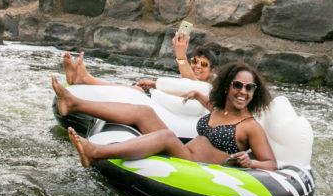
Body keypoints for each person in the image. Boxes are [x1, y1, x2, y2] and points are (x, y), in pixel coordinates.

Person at [54, 62, 277, 171]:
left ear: (255, 92)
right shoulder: (221, 110)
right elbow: (214, 109)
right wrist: (198, 94)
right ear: (227, 87)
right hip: (186, 152)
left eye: (250, 88)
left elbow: (272, 164)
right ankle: (74, 104)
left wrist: (252, 162)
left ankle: (95, 152)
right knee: (145, 112)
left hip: (196, 166)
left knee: (167, 136)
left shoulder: (250, 126)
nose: (243, 92)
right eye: (238, 85)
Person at [62, 33, 218, 90]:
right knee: (136, 88)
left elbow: (194, 86)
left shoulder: (211, 88)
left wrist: (181, 56)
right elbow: (182, 84)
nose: (197, 66)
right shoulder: (188, 79)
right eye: (195, 61)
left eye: (203, 64)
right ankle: (83, 79)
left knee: (136, 91)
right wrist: (154, 84)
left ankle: (86, 78)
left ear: (212, 71)